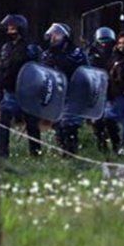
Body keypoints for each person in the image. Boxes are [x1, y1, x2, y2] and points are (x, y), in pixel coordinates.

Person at [0, 14, 42, 157]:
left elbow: (37, 69)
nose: (10, 31)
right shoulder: (6, 48)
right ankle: (2, 153)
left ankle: (36, 153)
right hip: (10, 91)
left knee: (32, 123)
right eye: (9, 28)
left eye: (13, 28)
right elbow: (4, 68)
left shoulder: (31, 48)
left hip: (27, 91)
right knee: (3, 119)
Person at [41, 22, 88, 154]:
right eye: (52, 34)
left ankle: (72, 153)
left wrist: (60, 60)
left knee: (69, 124)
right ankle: (64, 153)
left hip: (73, 93)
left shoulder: (76, 53)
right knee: (58, 125)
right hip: (56, 94)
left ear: (65, 36)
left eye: (57, 34)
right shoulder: (47, 54)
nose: (53, 37)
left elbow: (83, 71)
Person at [87, 26, 118, 152]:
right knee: (97, 122)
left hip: (112, 91)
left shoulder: (116, 53)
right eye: (102, 41)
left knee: (110, 120)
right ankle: (102, 147)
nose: (104, 44)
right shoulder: (90, 54)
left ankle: (116, 145)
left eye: (107, 41)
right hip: (96, 91)